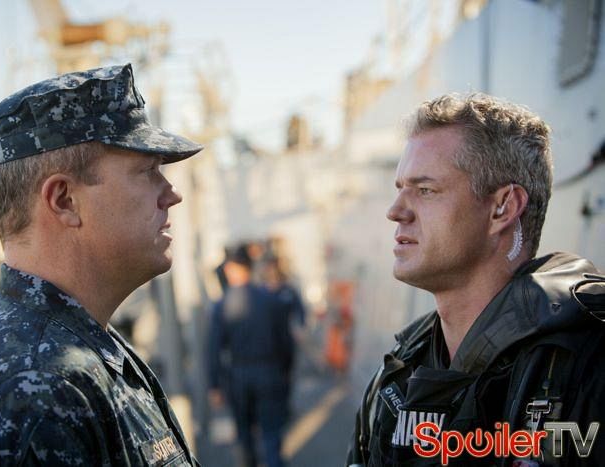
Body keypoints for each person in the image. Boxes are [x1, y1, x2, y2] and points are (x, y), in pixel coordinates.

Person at [0, 64, 203, 466]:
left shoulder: (70, 347)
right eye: (147, 171)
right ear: (65, 201)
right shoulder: (33, 392)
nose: (171, 194)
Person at [345, 93, 605, 466]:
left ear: (503, 208)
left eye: (425, 190)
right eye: (400, 189)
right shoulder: (397, 373)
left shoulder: (588, 365)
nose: (395, 211)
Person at [208, 245, 293, 467]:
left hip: (238, 376)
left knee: (244, 437)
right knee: (272, 436)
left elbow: (214, 349)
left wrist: (214, 385)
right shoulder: (271, 300)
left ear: (230, 269)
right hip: (270, 372)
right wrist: (285, 371)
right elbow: (286, 343)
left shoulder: (221, 305)